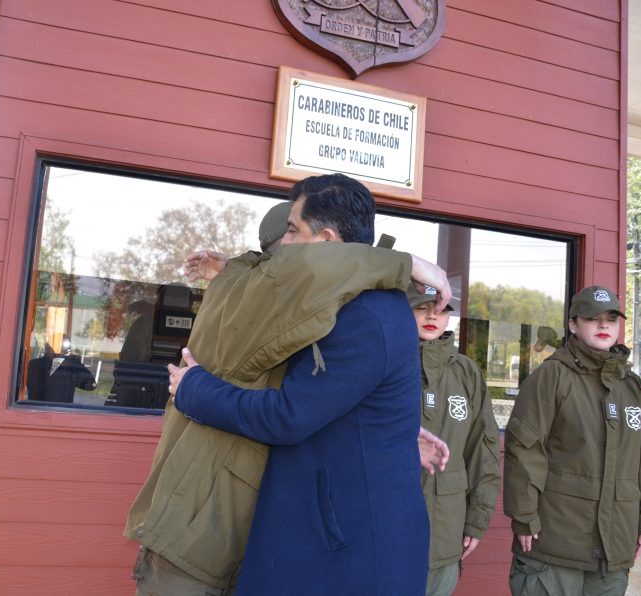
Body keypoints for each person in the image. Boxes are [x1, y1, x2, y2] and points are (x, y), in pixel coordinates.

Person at [125, 175, 452, 596]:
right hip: (214, 523)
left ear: (328, 242)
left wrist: (390, 434)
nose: (283, 254)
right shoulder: (303, 299)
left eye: (293, 232)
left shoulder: (364, 312)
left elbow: (294, 413)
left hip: (332, 551)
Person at [503, 285, 641, 595]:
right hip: (554, 546)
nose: (604, 325)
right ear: (573, 325)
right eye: (593, 318)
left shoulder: (631, 386)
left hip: (612, 551)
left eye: (611, 318)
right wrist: (524, 516)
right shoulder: (552, 376)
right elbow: (524, 449)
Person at [408, 285, 500, 596]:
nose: (433, 314)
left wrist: (477, 520)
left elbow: (483, 451)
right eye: (422, 306)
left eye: (442, 308)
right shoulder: (384, 362)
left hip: (446, 533)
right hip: (382, 533)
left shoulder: (466, 373)